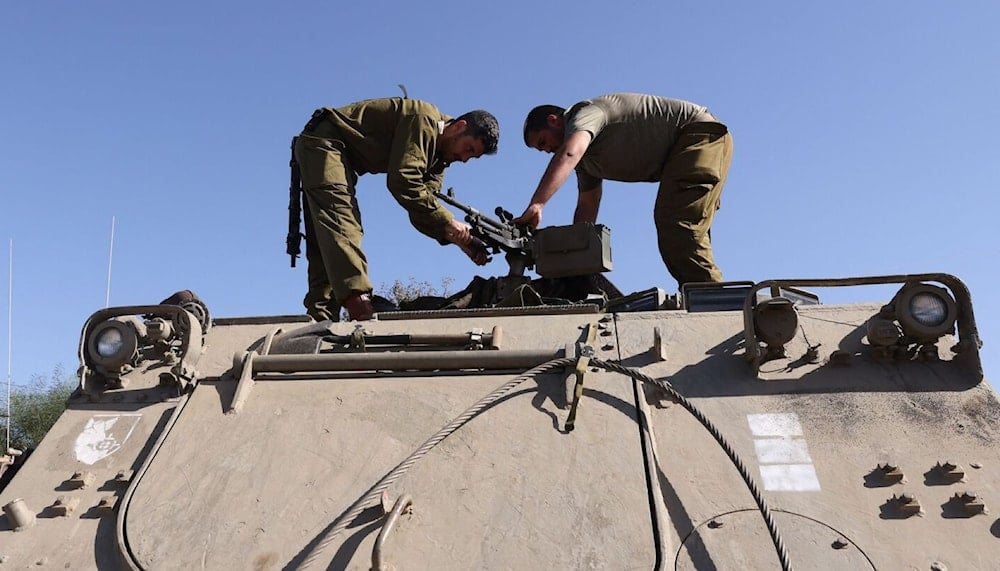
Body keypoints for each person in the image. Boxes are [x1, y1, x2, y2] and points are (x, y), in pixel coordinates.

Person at [294, 97, 499, 321]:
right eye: (468, 148)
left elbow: (421, 207)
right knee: (342, 223)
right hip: (326, 141)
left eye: (473, 156)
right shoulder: (423, 120)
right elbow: (403, 182)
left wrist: (460, 239)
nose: (464, 158)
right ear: (459, 127)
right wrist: (449, 222)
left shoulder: (439, 157)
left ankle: (321, 316)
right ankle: (360, 309)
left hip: (339, 154)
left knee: (328, 237)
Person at [514, 93, 732, 288]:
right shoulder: (588, 161)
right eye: (541, 149)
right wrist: (574, 258)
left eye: (543, 141)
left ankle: (712, 302)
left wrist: (537, 204)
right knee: (687, 232)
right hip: (698, 142)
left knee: (676, 223)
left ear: (554, 120)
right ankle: (709, 296)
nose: (547, 150)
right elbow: (587, 206)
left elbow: (569, 154)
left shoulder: (585, 113)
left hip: (698, 135)